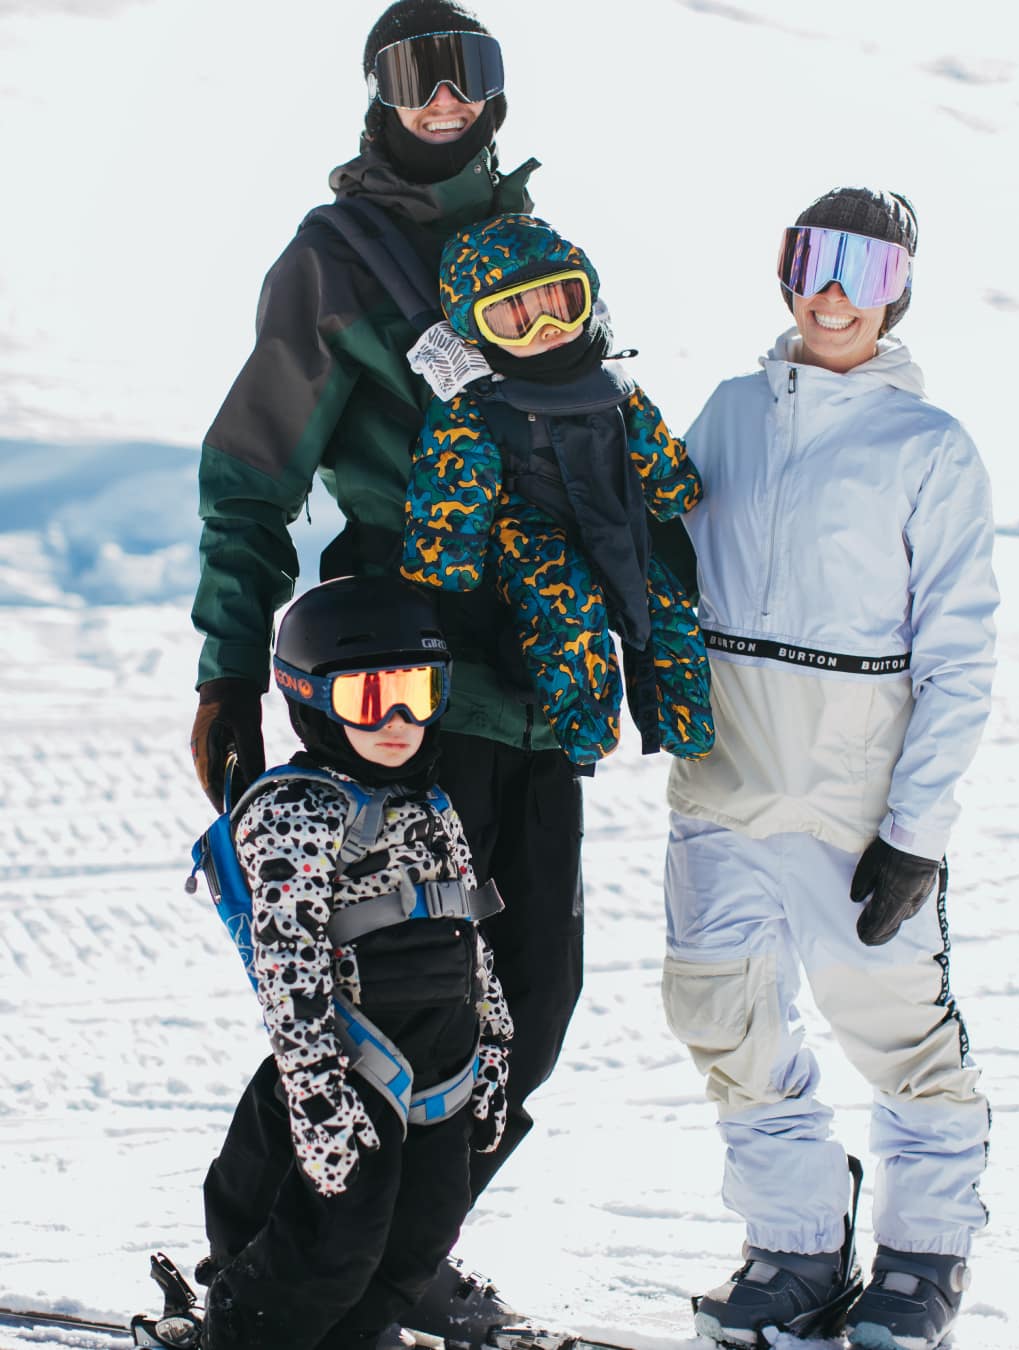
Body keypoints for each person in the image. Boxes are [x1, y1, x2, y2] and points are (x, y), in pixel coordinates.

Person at [187, 4, 582, 1342]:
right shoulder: (335, 263)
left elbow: (598, 447)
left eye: (467, 73)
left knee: (533, 993)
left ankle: (403, 1247)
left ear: (497, 98)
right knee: (387, 984)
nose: (443, 97)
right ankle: (280, 1241)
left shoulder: (536, 255)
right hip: (400, 677)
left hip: (536, 674)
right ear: (377, 91)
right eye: (416, 72)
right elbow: (253, 474)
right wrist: (229, 668)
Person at [661, 188, 998, 1350]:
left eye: (867, 265)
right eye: (816, 259)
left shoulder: (928, 447)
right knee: (721, 1016)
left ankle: (922, 1259)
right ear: (787, 270)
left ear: (899, 286)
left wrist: (917, 830)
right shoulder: (729, 412)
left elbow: (958, 658)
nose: (838, 290)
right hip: (721, 781)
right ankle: (795, 1247)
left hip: (853, 803)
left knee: (896, 1030)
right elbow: (659, 560)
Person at [196, 575, 512, 1350]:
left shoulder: (429, 800)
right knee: (334, 1246)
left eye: (417, 691)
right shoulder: (296, 810)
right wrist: (314, 1098)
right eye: (369, 700)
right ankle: (243, 1334)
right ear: (310, 697)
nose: (400, 720)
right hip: (352, 1063)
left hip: (442, 1062)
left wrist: (496, 1042)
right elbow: (287, 967)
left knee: (417, 1245)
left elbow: (469, 925)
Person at [400, 212, 715, 768]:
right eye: (514, 318)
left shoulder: (615, 387)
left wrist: (671, 486)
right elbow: (453, 483)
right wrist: (445, 566)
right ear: (476, 330)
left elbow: (654, 451)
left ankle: (682, 719)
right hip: (529, 526)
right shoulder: (475, 407)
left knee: (663, 602)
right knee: (564, 601)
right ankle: (587, 725)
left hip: (613, 512)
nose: (543, 329)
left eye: (560, 304)